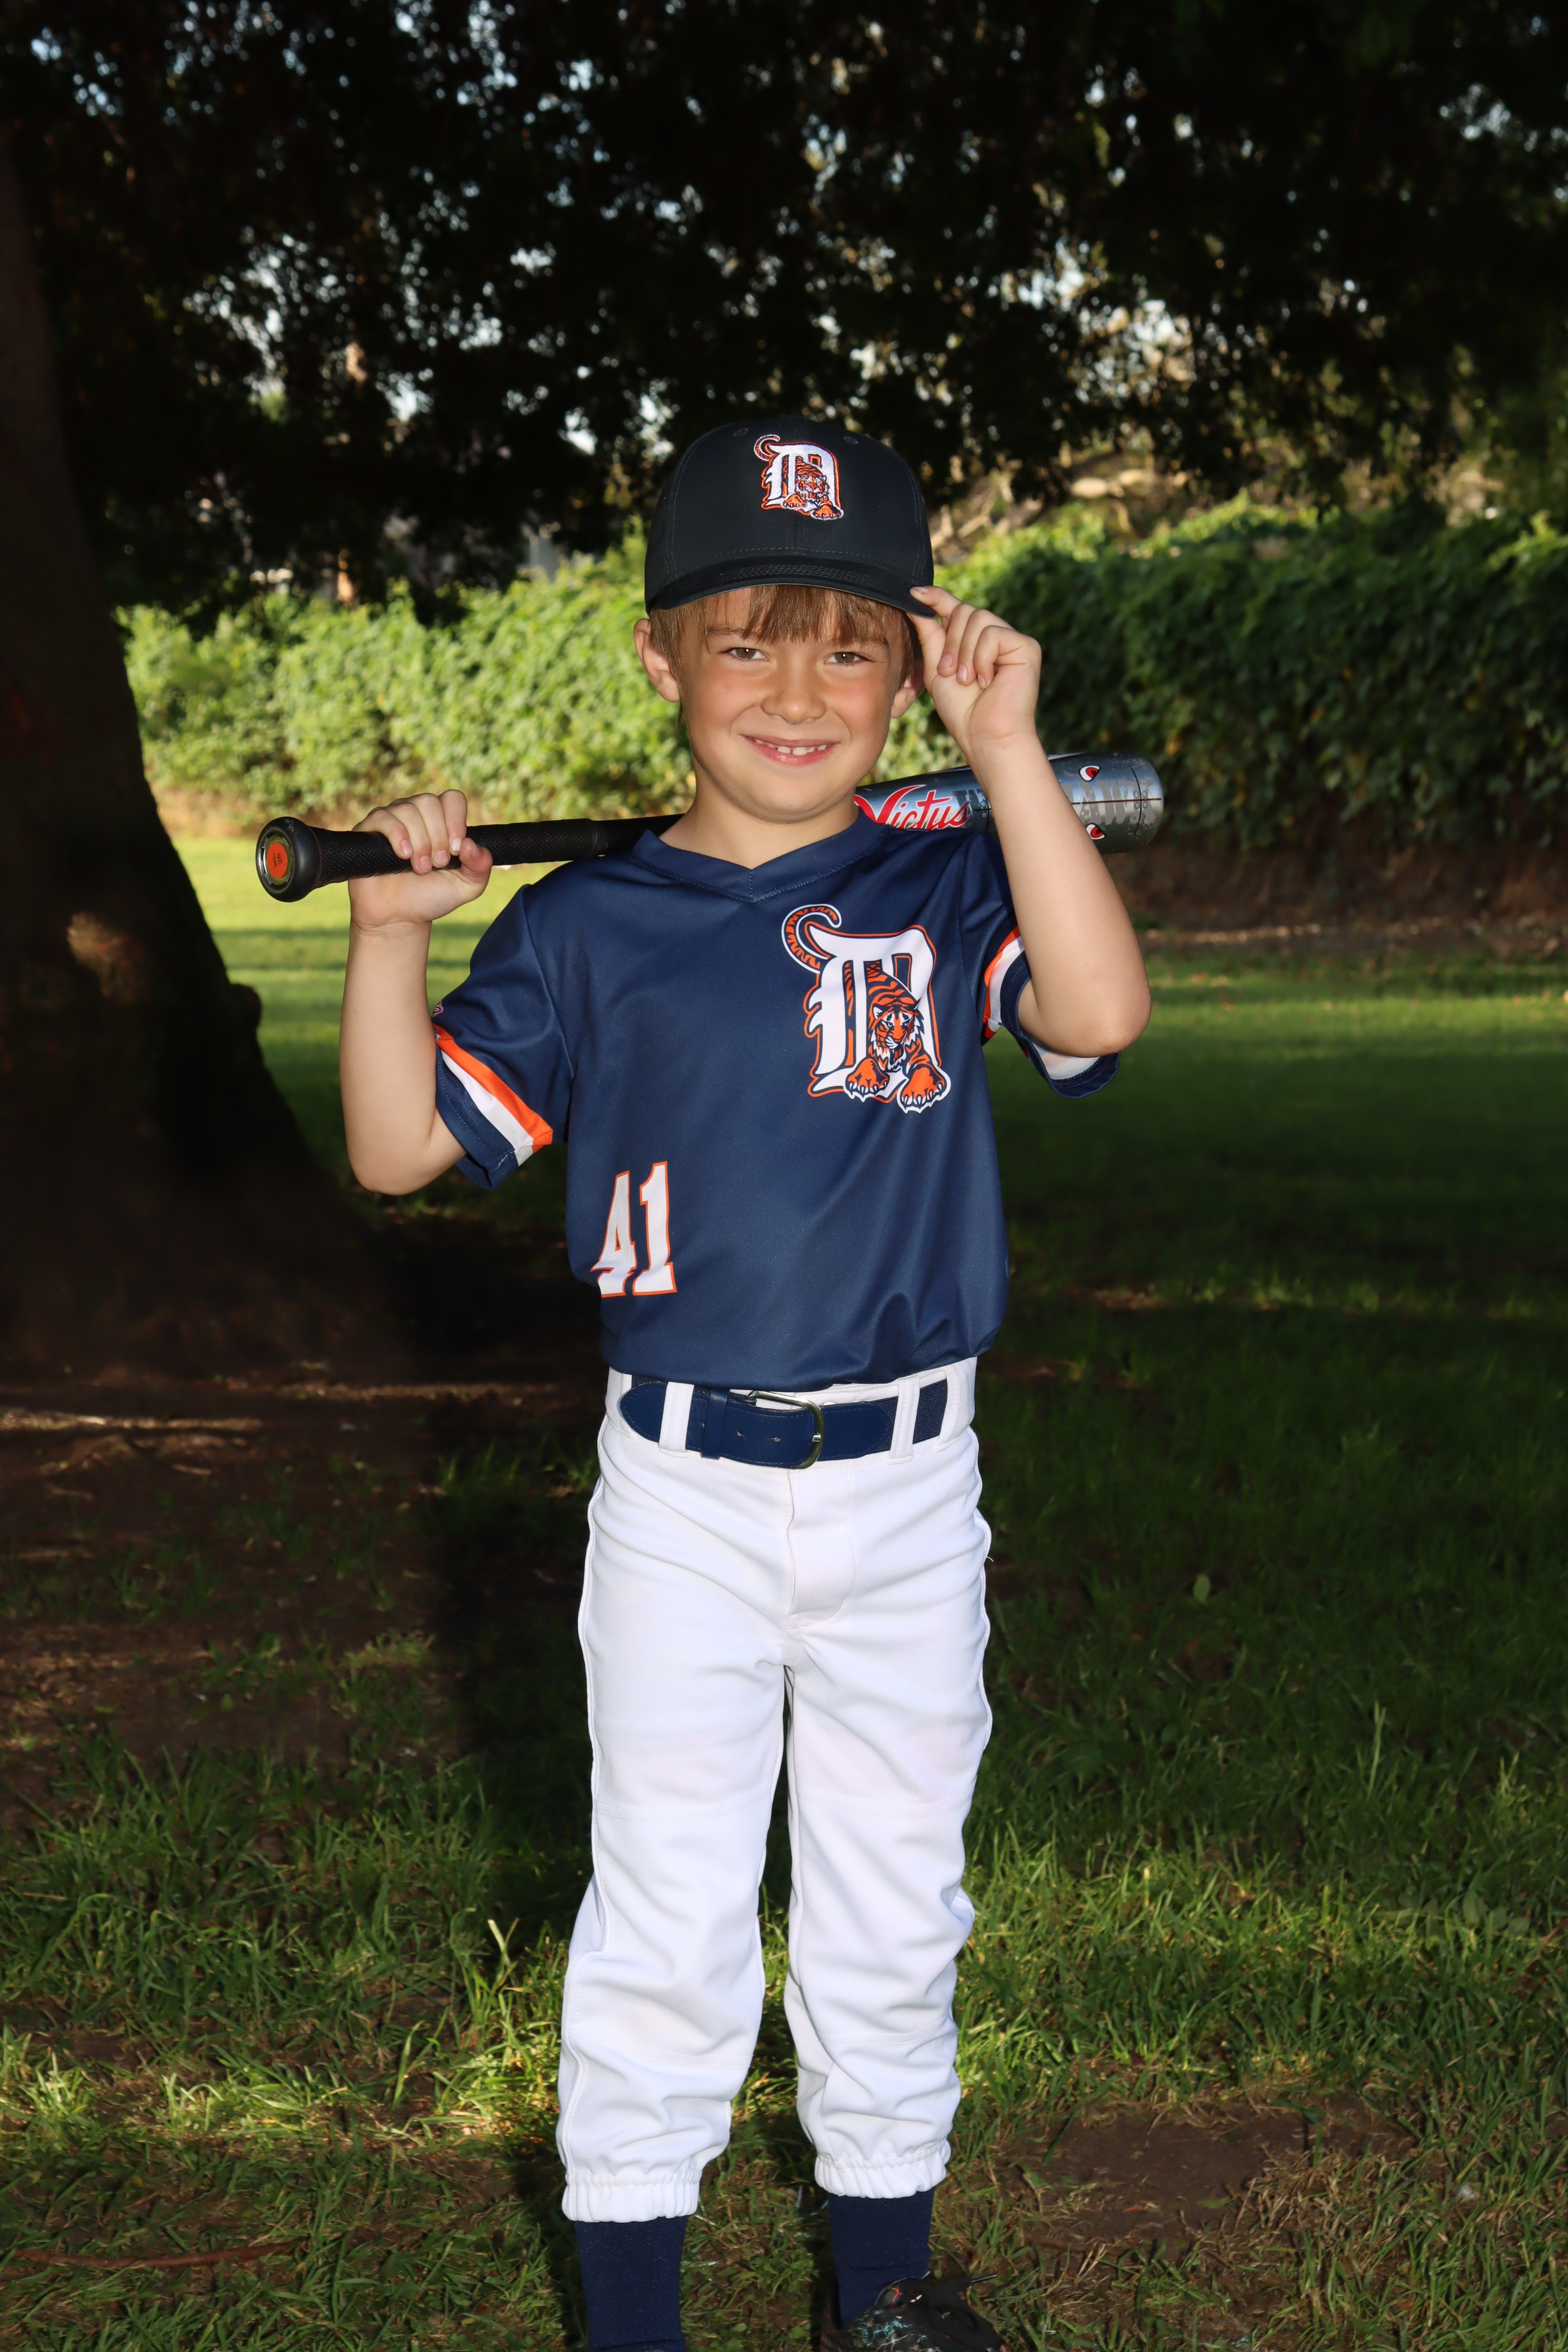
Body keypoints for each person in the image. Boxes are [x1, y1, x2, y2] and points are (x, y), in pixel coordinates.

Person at [338, 417, 1151, 2352]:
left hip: (910, 1485)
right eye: (744, 643)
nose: (798, 691)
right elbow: (396, 1147)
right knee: (669, 1906)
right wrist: (386, 937)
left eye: (851, 648)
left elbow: (1099, 1011)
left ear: (913, 667)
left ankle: (886, 2292)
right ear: (658, 658)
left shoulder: (949, 883)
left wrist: (1008, 755)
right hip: (684, 1495)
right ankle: (635, 2316)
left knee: (895, 1896)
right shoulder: (585, 926)